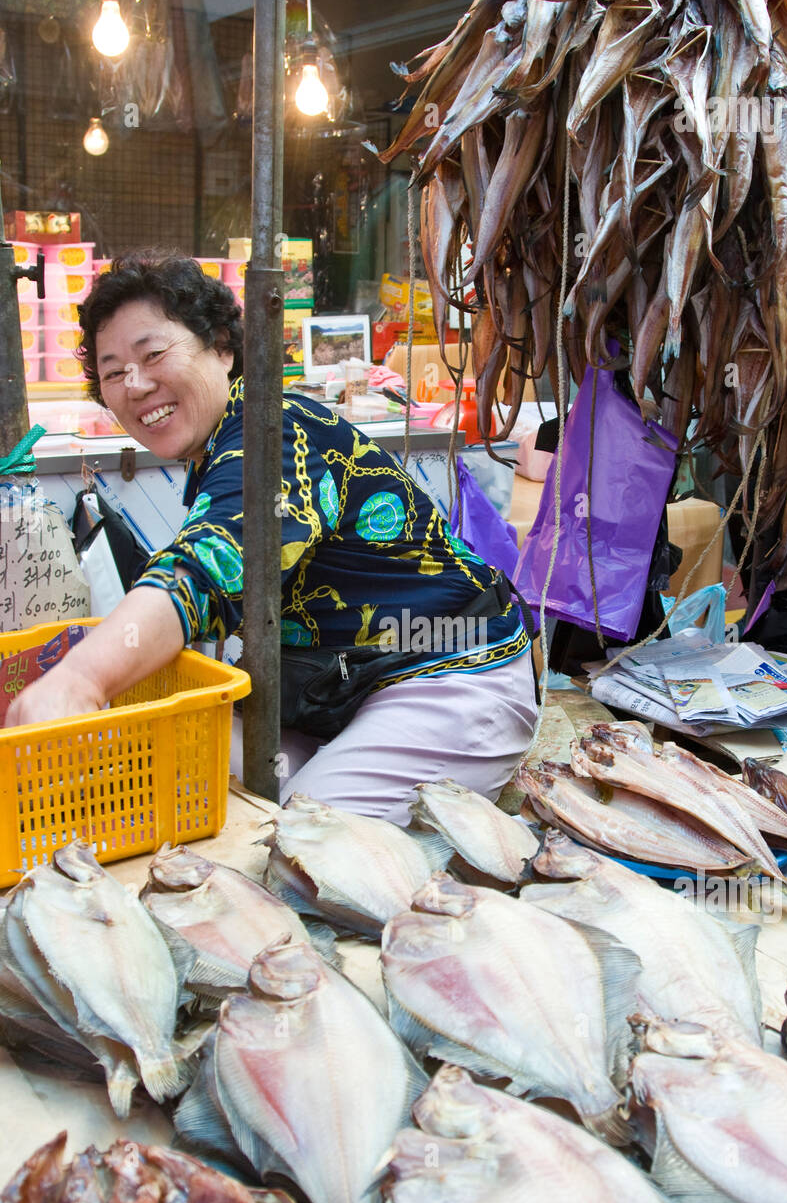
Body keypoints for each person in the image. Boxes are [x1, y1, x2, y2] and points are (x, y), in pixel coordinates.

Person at [6, 253, 538, 822]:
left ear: (222, 347)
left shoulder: (275, 431)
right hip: (329, 695)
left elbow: (209, 564)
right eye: (114, 373)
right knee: (159, 782)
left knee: (305, 846)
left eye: (153, 354)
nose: (135, 385)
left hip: (446, 672)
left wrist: (82, 679)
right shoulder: (220, 449)